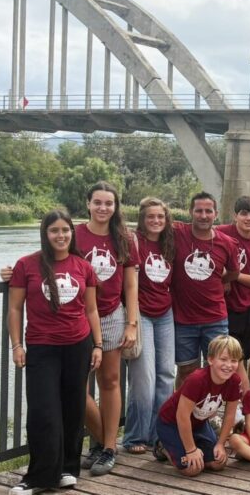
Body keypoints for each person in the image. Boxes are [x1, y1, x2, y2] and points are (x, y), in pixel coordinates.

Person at [6, 210, 103, 495]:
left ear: (72, 233)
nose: (61, 236)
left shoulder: (83, 266)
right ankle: (37, 477)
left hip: (79, 345)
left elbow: (92, 310)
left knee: (73, 410)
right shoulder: (27, 265)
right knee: (43, 411)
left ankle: (66, 470)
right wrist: (16, 345)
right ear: (45, 234)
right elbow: (15, 308)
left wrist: (97, 345)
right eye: (54, 231)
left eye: (65, 230)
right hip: (42, 346)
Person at [78, 182, 140, 476]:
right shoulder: (75, 234)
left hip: (112, 315)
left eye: (109, 203)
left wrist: (131, 324)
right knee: (76, 383)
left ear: (116, 207)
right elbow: (48, 264)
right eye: (97, 202)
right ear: (88, 204)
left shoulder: (124, 238)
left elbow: (130, 285)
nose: (103, 208)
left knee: (110, 381)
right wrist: (12, 272)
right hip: (78, 317)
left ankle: (106, 449)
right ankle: (105, 441)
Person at [123, 197, 177, 455]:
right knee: (143, 377)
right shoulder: (133, 241)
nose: (156, 221)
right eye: (150, 217)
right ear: (142, 219)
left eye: (160, 217)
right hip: (141, 313)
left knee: (167, 375)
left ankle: (160, 434)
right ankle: (135, 436)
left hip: (165, 313)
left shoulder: (170, 243)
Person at [171, 192, 240, 388]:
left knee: (218, 370)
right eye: (199, 210)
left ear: (215, 213)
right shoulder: (178, 233)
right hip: (183, 320)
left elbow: (234, 273)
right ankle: (184, 414)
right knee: (186, 372)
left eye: (208, 211)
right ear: (190, 212)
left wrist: (218, 279)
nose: (203, 215)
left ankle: (208, 416)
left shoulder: (227, 243)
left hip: (215, 319)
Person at [154, 335, 243, 477]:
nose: (228, 365)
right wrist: (190, 450)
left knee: (218, 463)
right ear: (210, 359)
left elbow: (230, 415)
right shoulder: (197, 380)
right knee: (192, 468)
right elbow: (182, 416)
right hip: (171, 423)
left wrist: (221, 443)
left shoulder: (234, 381)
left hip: (198, 423)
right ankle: (163, 446)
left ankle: (191, 444)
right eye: (223, 359)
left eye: (234, 360)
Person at [217, 196, 250, 362]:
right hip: (224, 307)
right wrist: (223, 279)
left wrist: (231, 275)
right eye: (244, 213)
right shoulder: (221, 233)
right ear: (235, 216)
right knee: (226, 356)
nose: (249, 218)